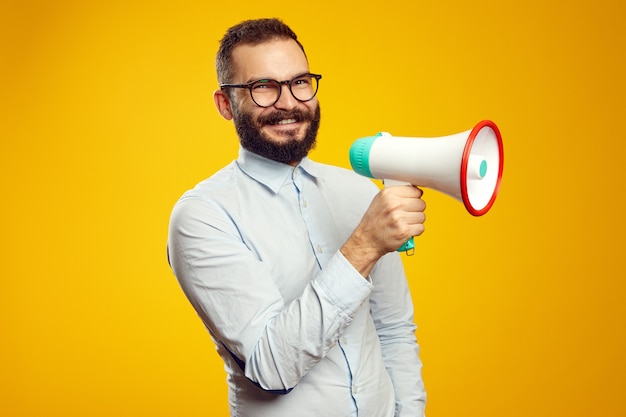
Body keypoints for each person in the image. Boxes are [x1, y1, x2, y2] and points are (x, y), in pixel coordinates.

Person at [167, 18, 427, 417]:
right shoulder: (202, 216)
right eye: (263, 87)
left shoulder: (358, 192)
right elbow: (272, 367)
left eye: (299, 82)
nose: (289, 102)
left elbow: (394, 330)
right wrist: (364, 246)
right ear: (225, 104)